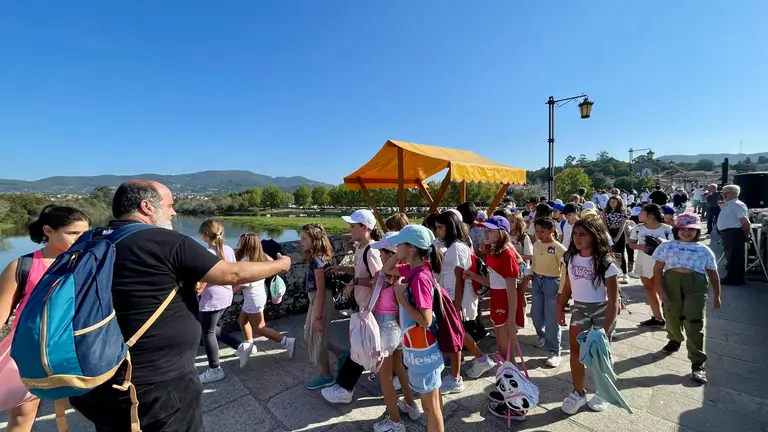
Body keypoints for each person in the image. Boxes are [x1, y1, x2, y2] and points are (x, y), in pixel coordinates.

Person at [69, 180, 291, 431]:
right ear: (146, 207)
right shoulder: (164, 241)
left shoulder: (90, 240)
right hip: (159, 385)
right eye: (170, 205)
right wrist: (281, 265)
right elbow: (232, 274)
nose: (174, 212)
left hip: (98, 377)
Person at [0, 205, 90, 432]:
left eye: (85, 233)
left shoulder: (88, 265)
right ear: (48, 230)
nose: (81, 239)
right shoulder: (22, 266)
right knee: (24, 413)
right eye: (73, 233)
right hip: (29, 349)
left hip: (74, 349)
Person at [384, 225, 445, 432]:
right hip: (420, 349)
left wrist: (401, 298)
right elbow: (387, 269)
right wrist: (398, 254)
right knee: (431, 405)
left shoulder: (419, 278)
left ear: (411, 247)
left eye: (399, 244)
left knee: (431, 407)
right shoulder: (415, 269)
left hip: (424, 351)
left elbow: (426, 320)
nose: (395, 247)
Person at [557, 218, 620, 414]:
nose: (577, 238)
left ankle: (603, 392)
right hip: (579, 309)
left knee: (601, 354)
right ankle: (578, 392)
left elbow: (613, 300)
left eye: (583, 234)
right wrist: (560, 307)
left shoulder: (606, 263)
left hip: (602, 310)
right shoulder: (569, 258)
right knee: (575, 351)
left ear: (595, 235)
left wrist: (606, 327)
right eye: (575, 234)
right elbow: (567, 285)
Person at [322, 210, 383, 402]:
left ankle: (344, 389)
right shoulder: (361, 248)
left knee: (359, 348)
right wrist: (343, 270)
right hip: (364, 306)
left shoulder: (371, 251)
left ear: (365, 228)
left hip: (369, 309)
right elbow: (361, 272)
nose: (349, 229)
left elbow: (379, 281)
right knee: (366, 347)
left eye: (352, 226)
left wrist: (355, 282)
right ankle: (398, 378)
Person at [652, 213, 721, 383]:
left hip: (695, 284)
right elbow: (657, 269)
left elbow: (713, 272)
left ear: (697, 231)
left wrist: (717, 295)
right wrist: (660, 290)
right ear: (677, 229)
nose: (686, 232)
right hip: (671, 282)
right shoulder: (666, 246)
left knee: (694, 321)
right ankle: (674, 340)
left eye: (691, 229)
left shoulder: (704, 250)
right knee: (671, 315)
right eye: (683, 228)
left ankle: (697, 363)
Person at [435, 211, 495, 391]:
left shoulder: (456, 248)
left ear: (450, 227)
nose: (437, 231)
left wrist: (457, 305)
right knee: (459, 334)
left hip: (456, 297)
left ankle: (456, 377)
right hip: (453, 296)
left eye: (440, 227)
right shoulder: (456, 245)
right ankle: (480, 359)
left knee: (455, 336)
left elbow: (459, 278)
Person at [369, 232, 422, 432]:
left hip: (385, 326)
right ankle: (411, 405)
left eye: (382, 253)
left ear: (387, 253)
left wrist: (394, 255)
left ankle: (395, 421)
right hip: (400, 324)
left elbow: (373, 303)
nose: (380, 257)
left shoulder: (383, 275)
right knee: (399, 368)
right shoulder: (403, 273)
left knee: (385, 378)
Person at [234, 233, 296, 369]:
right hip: (258, 294)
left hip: (253, 298)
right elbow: (275, 265)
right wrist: (280, 256)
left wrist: (227, 291)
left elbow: (241, 284)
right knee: (242, 321)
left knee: (260, 328)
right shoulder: (261, 256)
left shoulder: (245, 262)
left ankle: (287, 342)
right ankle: (249, 345)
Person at [300, 223, 347, 390]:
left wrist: (317, 317)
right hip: (318, 300)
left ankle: (327, 376)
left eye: (304, 238)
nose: (301, 241)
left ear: (314, 240)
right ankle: (342, 353)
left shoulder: (317, 261)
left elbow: (321, 291)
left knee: (315, 339)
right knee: (311, 336)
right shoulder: (319, 257)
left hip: (320, 300)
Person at [197, 218, 243, 383]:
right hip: (225, 295)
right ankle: (239, 346)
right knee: (208, 327)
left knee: (207, 332)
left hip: (212, 298)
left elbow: (202, 280)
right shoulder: (229, 249)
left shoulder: (207, 254)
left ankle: (215, 369)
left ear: (204, 235)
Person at [526, 217, 567, 367]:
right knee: (535, 315)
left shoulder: (559, 248)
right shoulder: (536, 244)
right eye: (537, 231)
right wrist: (530, 273)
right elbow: (533, 262)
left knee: (551, 319)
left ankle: (555, 351)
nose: (539, 234)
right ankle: (542, 335)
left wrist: (562, 290)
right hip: (537, 281)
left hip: (552, 283)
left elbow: (566, 270)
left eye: (542, 232)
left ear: (552, 230)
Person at [628, 204, 674, 328]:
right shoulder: (638, 228)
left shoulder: (667, 229)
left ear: (651, 214)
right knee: (649, 290)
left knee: (663, 291)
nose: (639, 214)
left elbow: (673, 246)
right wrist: (639, 246)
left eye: (642, 211)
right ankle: (657, 318)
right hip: (644, 261)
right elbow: (631, 244)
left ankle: (672, 319)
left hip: (662, 263)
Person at [717, 185, 751, 286]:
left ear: (733, 193)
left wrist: (746, 235)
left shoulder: (737, 204)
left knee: (734, 257)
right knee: (731, 256)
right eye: (722, 193)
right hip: (728, 233)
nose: (723, 195)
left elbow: (745, 222)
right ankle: (736, 278)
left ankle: (732, 279)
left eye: (726, 193)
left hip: (734, 233)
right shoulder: (729, 204)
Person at [603, 196, 629, 284]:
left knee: (621, 253)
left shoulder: (622, 212)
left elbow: (622, 225)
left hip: (620, 233)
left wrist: (617, 237)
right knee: (609, 253)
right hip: (609, 233)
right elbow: (604, 224)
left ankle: (625, 274)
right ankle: (612, 273)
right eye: (611, 202)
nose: (612, 203)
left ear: (618, 202)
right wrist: (609, 236)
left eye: (614, 202)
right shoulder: (606, 211)